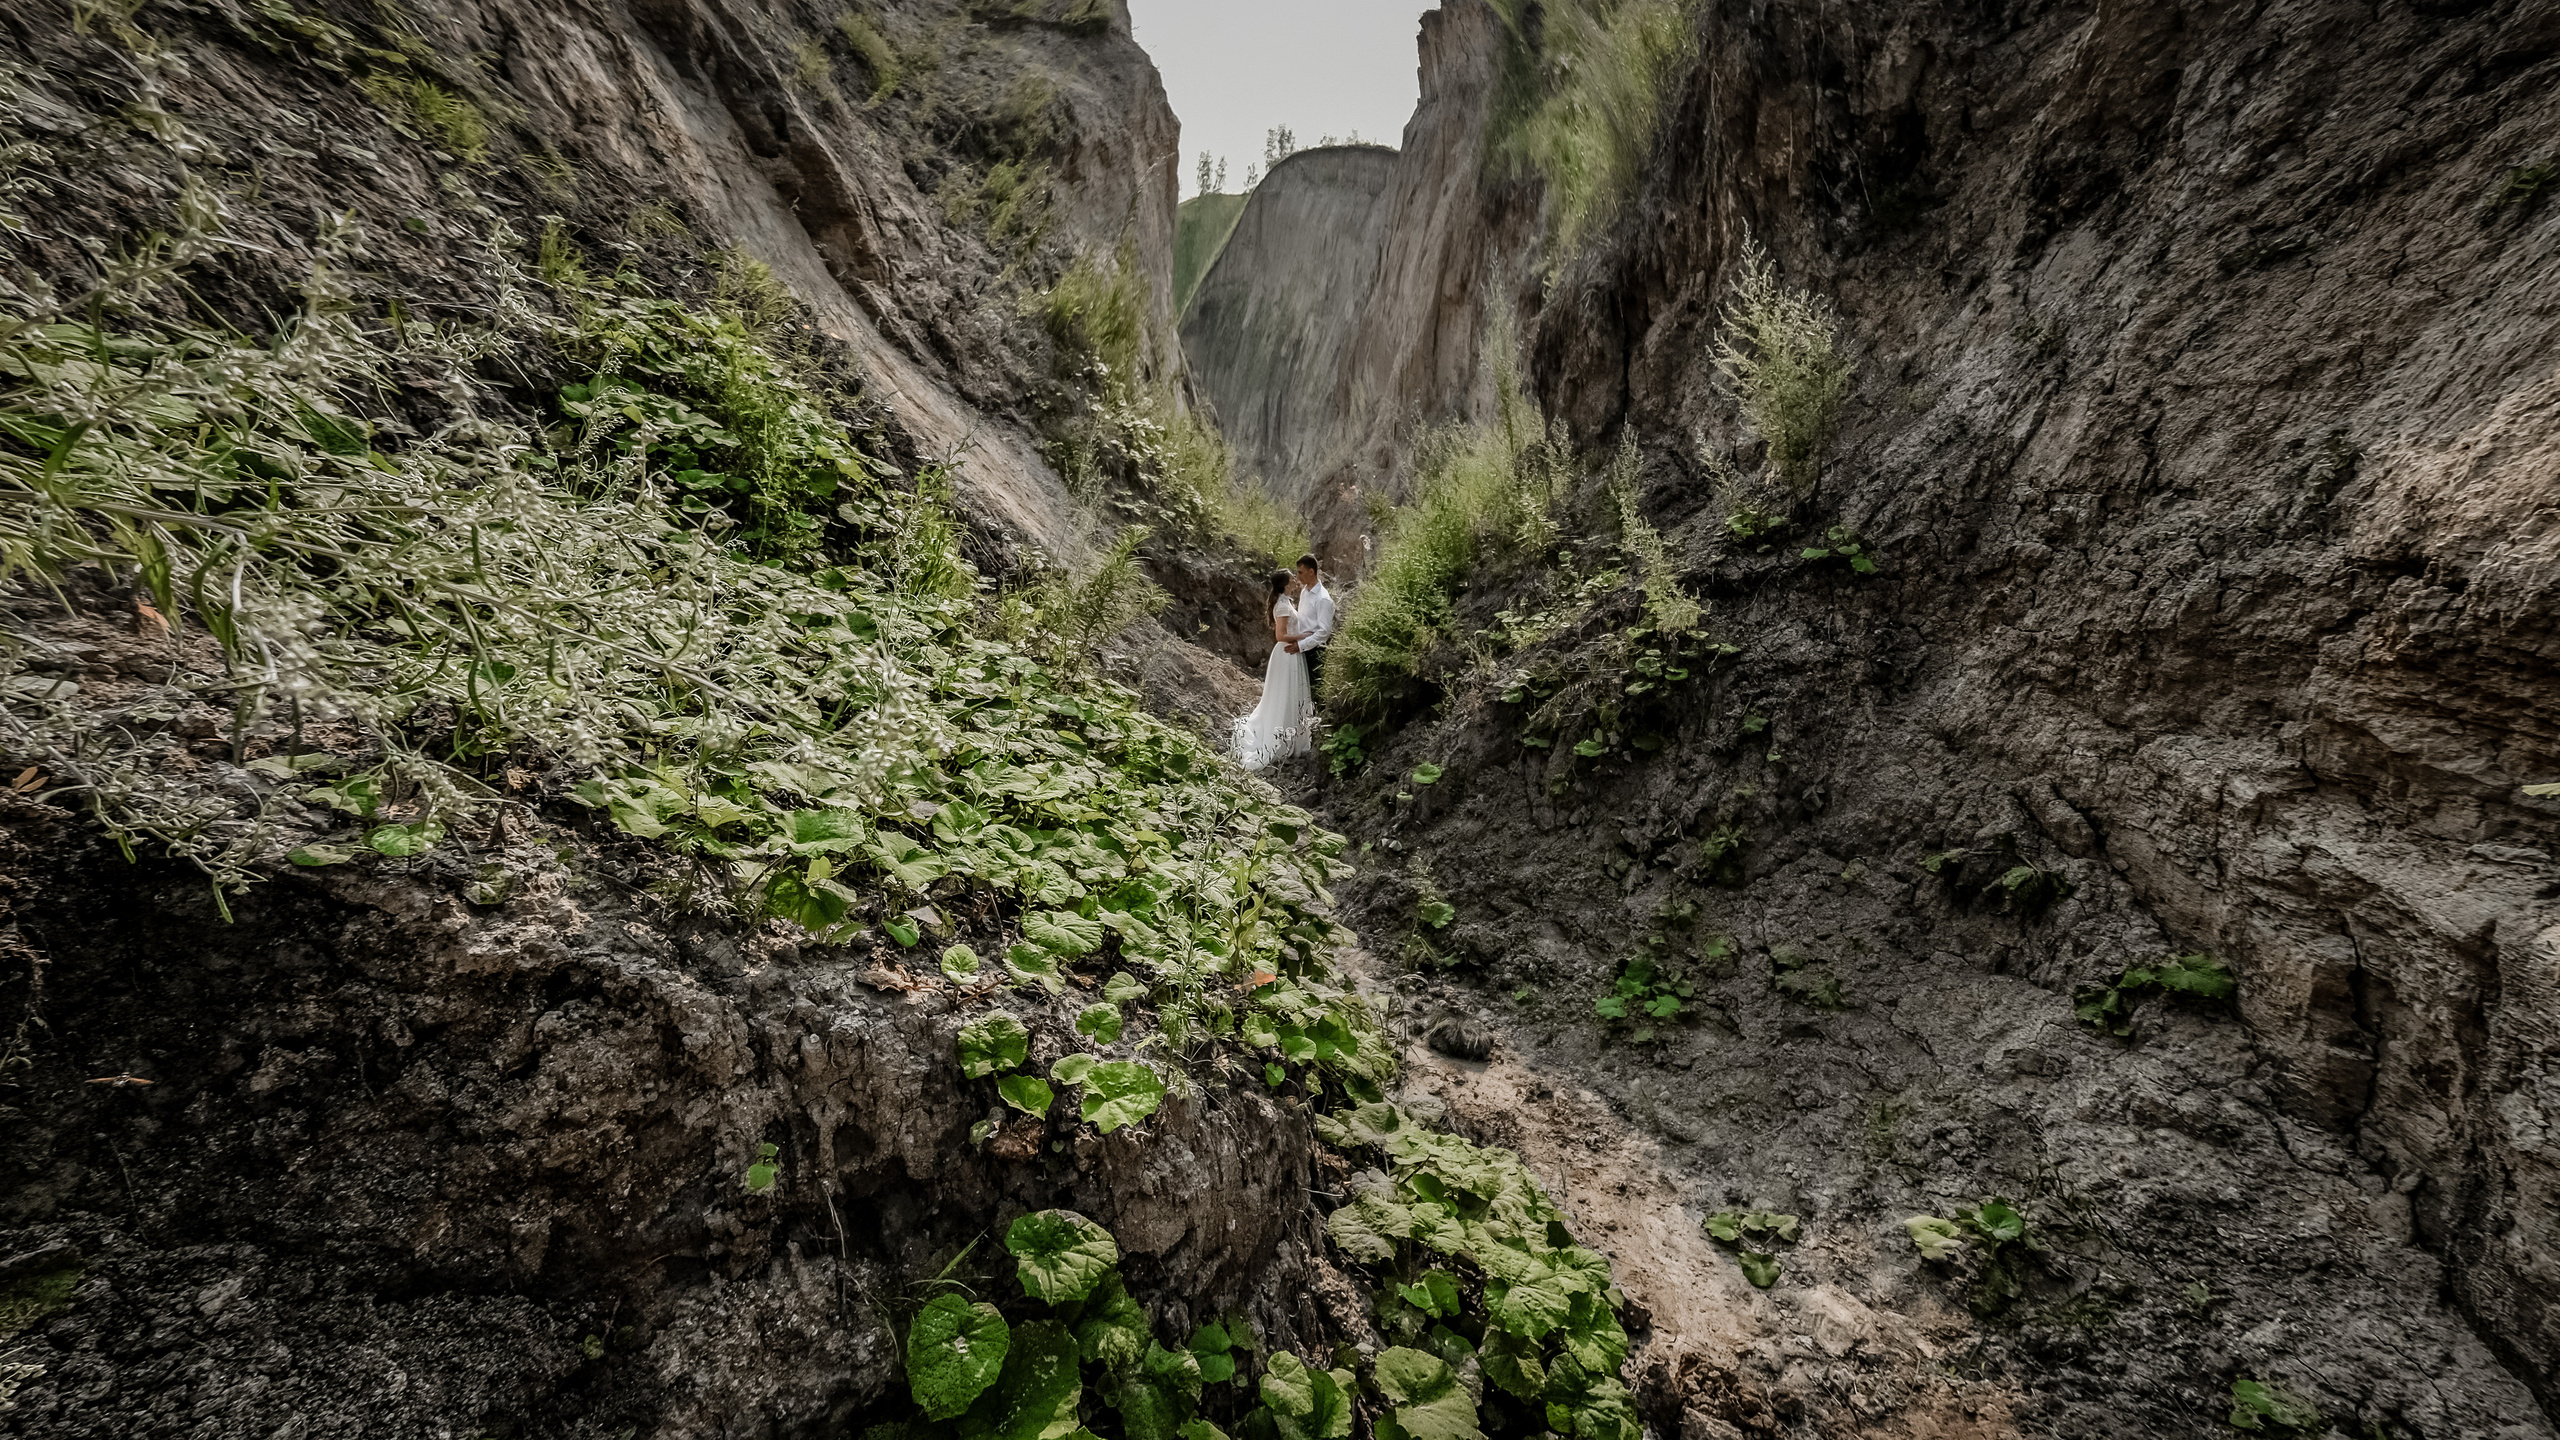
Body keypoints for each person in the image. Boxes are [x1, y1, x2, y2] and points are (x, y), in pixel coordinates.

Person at [1233, 569, 1314, 770]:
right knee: (1286, 693)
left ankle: (1292, 736)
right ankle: (1282, 736)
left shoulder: (1286, 602)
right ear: (1285, 584)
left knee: (1292, 693)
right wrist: (1303, 636)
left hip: (1292, 652)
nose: (1295, 581)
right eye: (1292, 579)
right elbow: (1280, 635)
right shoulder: (1282, 605)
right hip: (1286, 652)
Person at [1284, 553, 1333, 695]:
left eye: (1300, 572)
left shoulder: (1323, 599)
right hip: (1301, 646)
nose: (1298, 576)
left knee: (1314, 689)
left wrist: (1301, 645)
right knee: (1300, 690)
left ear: (1311, 572)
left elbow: (1324, 632)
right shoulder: (1305, 591)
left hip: (1314, 650)